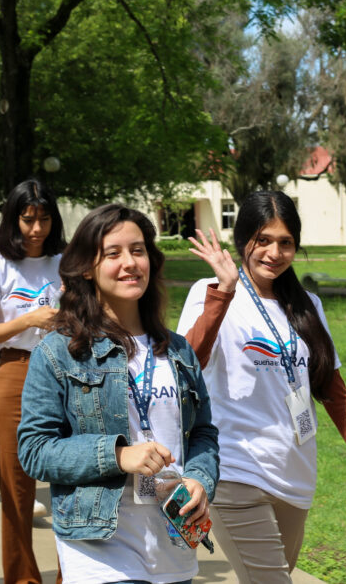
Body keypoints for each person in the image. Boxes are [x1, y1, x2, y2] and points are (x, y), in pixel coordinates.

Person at [176, 191, 346, 583]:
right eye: (263, 240)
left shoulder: (308, 306)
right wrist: (224, 291)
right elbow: (187, 367)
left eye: (286, 242)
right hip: (236, 470)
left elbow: (336, 395)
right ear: (243, 240)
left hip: (294, 477)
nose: (274, 252)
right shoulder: (210, 291)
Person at [18, 204, 219, 584]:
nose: (130, 262)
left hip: (173, 542)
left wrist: (199, 480)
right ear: (86, 268)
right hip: (97, 544)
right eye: (113, 253)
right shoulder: (59, 352)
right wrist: (118, 455)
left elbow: (204, 433)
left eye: (138, 250)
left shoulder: (178, 350)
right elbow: (34, 448)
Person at [0, 179, 64, 583]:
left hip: (66, 373)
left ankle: (74, 574)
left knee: (70, 480)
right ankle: (23, 577)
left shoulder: (69, 262)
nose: (36, 229)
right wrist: (28, 319)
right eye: (28, 219)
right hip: (16, 371)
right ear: (14, 220)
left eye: (44, 219)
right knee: (15, 487)